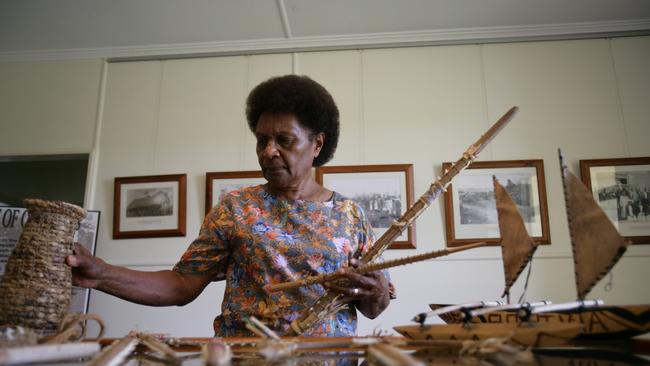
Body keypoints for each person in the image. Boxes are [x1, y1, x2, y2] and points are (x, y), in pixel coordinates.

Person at [67, 74, 393, 337]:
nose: (268, 151)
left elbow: (373, 308)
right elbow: (181, 285)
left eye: (284, 140)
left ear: (317, 144)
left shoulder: (351, 216)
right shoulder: (236, 208)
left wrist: (375, 291)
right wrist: (100, 274)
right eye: (262, 140)